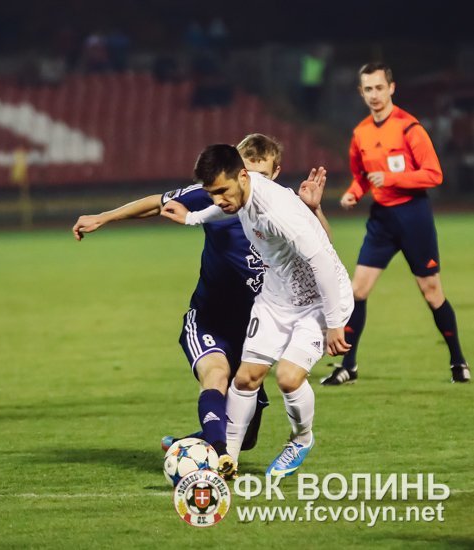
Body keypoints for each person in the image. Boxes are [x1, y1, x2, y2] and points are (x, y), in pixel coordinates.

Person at [73, 134, 329, 478]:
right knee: (217, 376)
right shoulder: (216, 197)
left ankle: (192, 446)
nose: (249, 184)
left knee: (247, 435)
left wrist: (314, 209)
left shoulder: (282, 206)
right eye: (246, 173)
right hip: (210, 319)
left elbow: (323, 251)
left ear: (276, 173)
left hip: (256, 329)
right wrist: (104, 217)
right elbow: (157, 203)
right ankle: (218, 456)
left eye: (262, 175)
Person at [160, 144, 353, 478]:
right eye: (212, 193)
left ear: (243, 177)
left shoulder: (276, 211)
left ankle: (301, 439)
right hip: (277, 298)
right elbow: (227, 208)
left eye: (222, 191)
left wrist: (335, 323)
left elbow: (322, 260)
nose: (218, 199)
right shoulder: (242, 191)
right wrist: (193, 217)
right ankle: (226, 462)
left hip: (319, 301)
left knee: (288, 378)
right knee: (246, 379)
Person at [322, 62, 469, 385]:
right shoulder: (360, 133)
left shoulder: (409, 128)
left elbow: (434, 174)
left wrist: (391, 178)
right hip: (382, 221)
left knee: (431, 292)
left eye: (379, 87)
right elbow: (361, 177)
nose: (374, 94)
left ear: (391, 88)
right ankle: (348, 366)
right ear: (361, 93)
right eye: (368, 89)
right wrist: (353, 193)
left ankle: (458, 361)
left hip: (414, 217)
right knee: (357, 290)